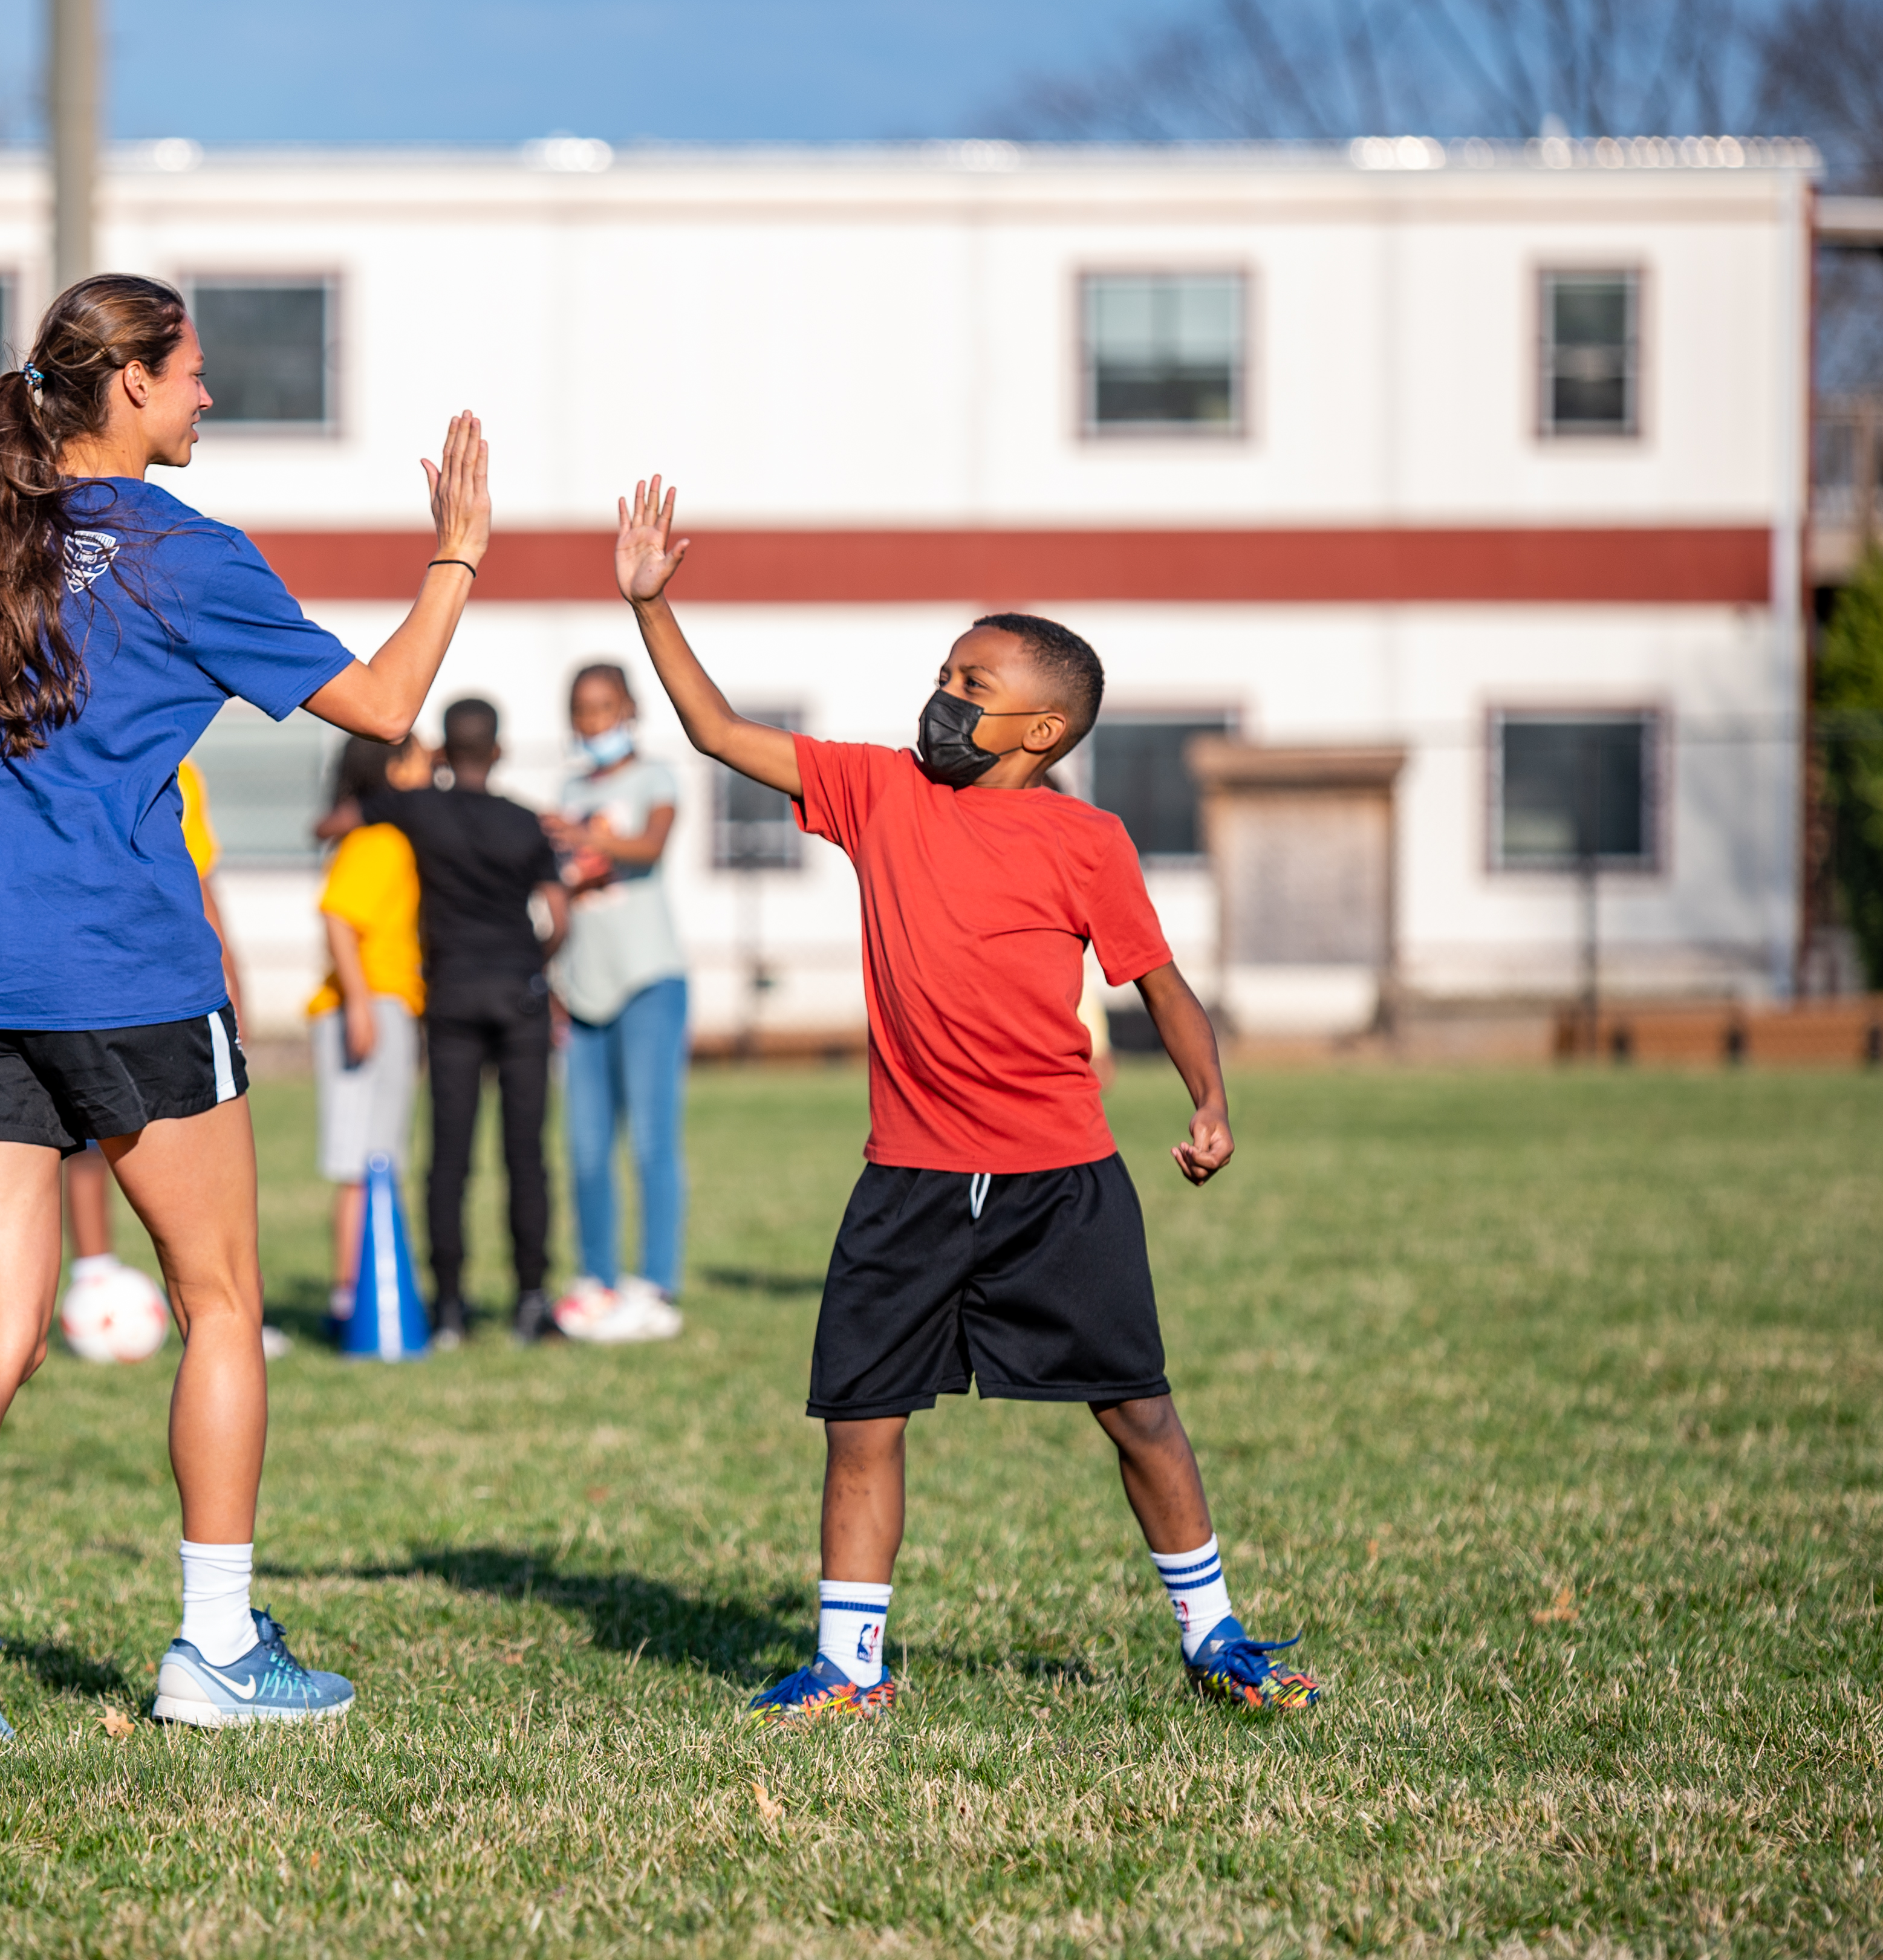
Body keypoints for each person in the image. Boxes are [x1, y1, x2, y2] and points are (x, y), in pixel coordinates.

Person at [0, 271, 490, 1736]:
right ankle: (214, 1649)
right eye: (194, 374)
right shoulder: (183, 555)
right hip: (127, 974)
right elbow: (387, 712)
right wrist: (455, 557)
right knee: (217, 1302)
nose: (209, 397)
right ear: (129, 385)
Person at [609, 475, 1320, 1721]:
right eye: (946, 676)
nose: (944, 699)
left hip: (1061, 1183)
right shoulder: (880, 791)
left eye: (973, 688)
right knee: (862, 1419)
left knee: (1139, 1411)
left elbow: (1161, 985)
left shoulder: (1087, 842)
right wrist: (654, 607)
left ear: (1042, 731)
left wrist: (1211, 1099)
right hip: (911, 1180)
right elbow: (721, 733)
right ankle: (850, 1666)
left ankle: (1216, 1638)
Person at [58, 758, 284, 1355]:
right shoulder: (61, 743)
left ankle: (211, 1300)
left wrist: (230, 972)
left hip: (132, 984)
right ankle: (103, 1275)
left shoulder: (178, 765)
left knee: (156, 1146)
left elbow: (197, 875)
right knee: (96, 1138)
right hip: (132, 987)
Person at [360, 696, 568, 1348]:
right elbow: (559, 914)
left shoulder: (419, 810)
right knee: (525, 1154)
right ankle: (530, 1301)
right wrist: (533, 961)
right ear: (499, 750)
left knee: (448, 1156)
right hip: (518, 993)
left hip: (449, 994)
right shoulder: (526, 822)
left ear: (444, 753)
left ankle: (448, 1305)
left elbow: (341, 818)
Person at [542, 661, 689, 1345]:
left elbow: (651, 846)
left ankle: (654, 1283)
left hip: (648, 979)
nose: (595, 721)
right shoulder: (569, 789)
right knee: (584, 1144)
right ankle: (595, 1276)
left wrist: (584, 838)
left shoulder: (654, 778)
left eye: (606, 707)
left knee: (652, 1140)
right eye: (583, 710)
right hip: (582, 987)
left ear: (629, 708)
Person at [307, 732, 434, 1332]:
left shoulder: (393, 834)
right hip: (369, 1006)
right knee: (362, 1158)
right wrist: (359, 1004)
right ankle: (348, 1298)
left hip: (389, 1003)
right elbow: (337, 917)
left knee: (380, 1154)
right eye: (419, 757)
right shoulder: (378, 839)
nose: (430, 766)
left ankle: (371, 1289)